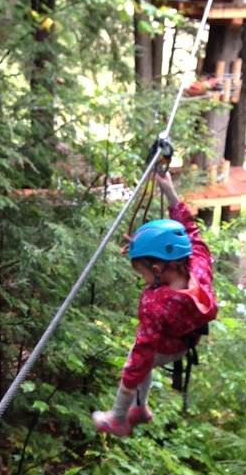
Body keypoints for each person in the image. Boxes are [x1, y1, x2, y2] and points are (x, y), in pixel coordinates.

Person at [92, 168, 217, 438]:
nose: (143, 278)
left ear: (158, 268)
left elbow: (143, 353)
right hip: (187, 343)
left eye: (143, 272)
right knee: (143, 361)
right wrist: (170, 193)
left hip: (166, 348)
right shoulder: (199, 266)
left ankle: (120, 417)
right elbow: (191, 233)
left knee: (136, 361)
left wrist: (125, 391)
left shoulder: (156, 303)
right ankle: (142, 409)